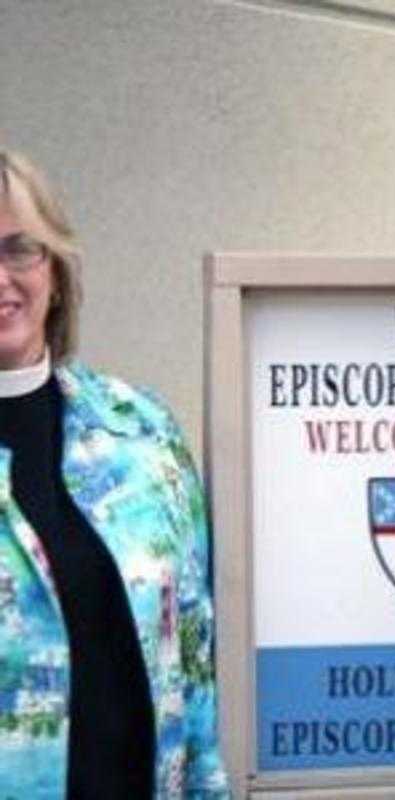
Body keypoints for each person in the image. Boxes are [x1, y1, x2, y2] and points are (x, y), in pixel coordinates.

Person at [0, 150, 230, 798]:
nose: (2, 278)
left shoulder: (142, 433)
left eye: (21, 249)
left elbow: (193, 659)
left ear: (56, 267)